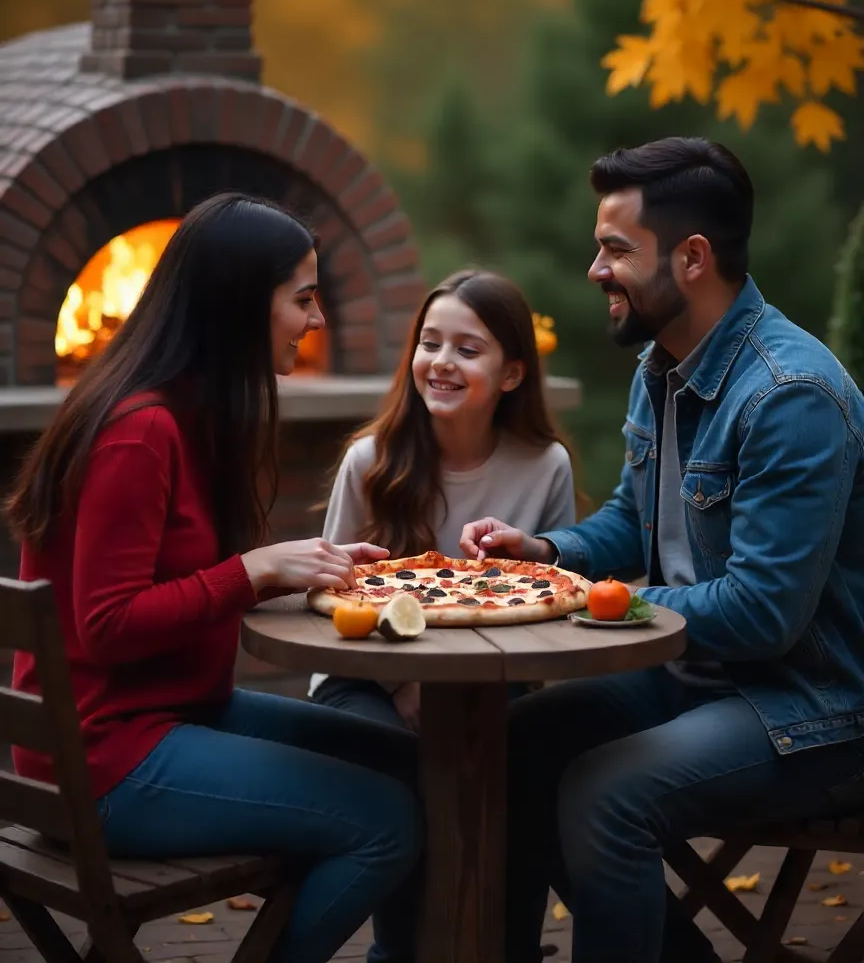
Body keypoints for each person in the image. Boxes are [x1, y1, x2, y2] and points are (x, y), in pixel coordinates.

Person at [460, 137, 864, 963]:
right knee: (512, 747)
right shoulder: (664, 365)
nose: (594, 269)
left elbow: (761, 615)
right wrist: (540, 552)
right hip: (698, 682)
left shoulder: (792, 397)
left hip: (814, 706)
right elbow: (631, 527)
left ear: (691, 258)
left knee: (605, 795)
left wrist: (588, 607)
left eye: (614, 249)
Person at [6, 193, 421, 963]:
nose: (317, 319)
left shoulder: (184, 413)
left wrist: (295, 574)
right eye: (302, 299)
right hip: (106, 758)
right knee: (385, 821)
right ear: (238, 304)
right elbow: (107, 623)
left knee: (411, 763)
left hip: (165, 716)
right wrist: (251, 570)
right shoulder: (141, 428)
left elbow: (177, 582)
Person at [309, 268, 582, 731]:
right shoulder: (369, 460)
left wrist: (455, 683)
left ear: (513, 373)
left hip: (494, 675)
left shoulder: (547, 465)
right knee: (391, 760)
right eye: (430, 343)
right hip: (365, 675)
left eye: (467, 350)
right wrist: (404, 684)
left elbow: (554, 611)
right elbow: (329, 597)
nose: (441, 362)